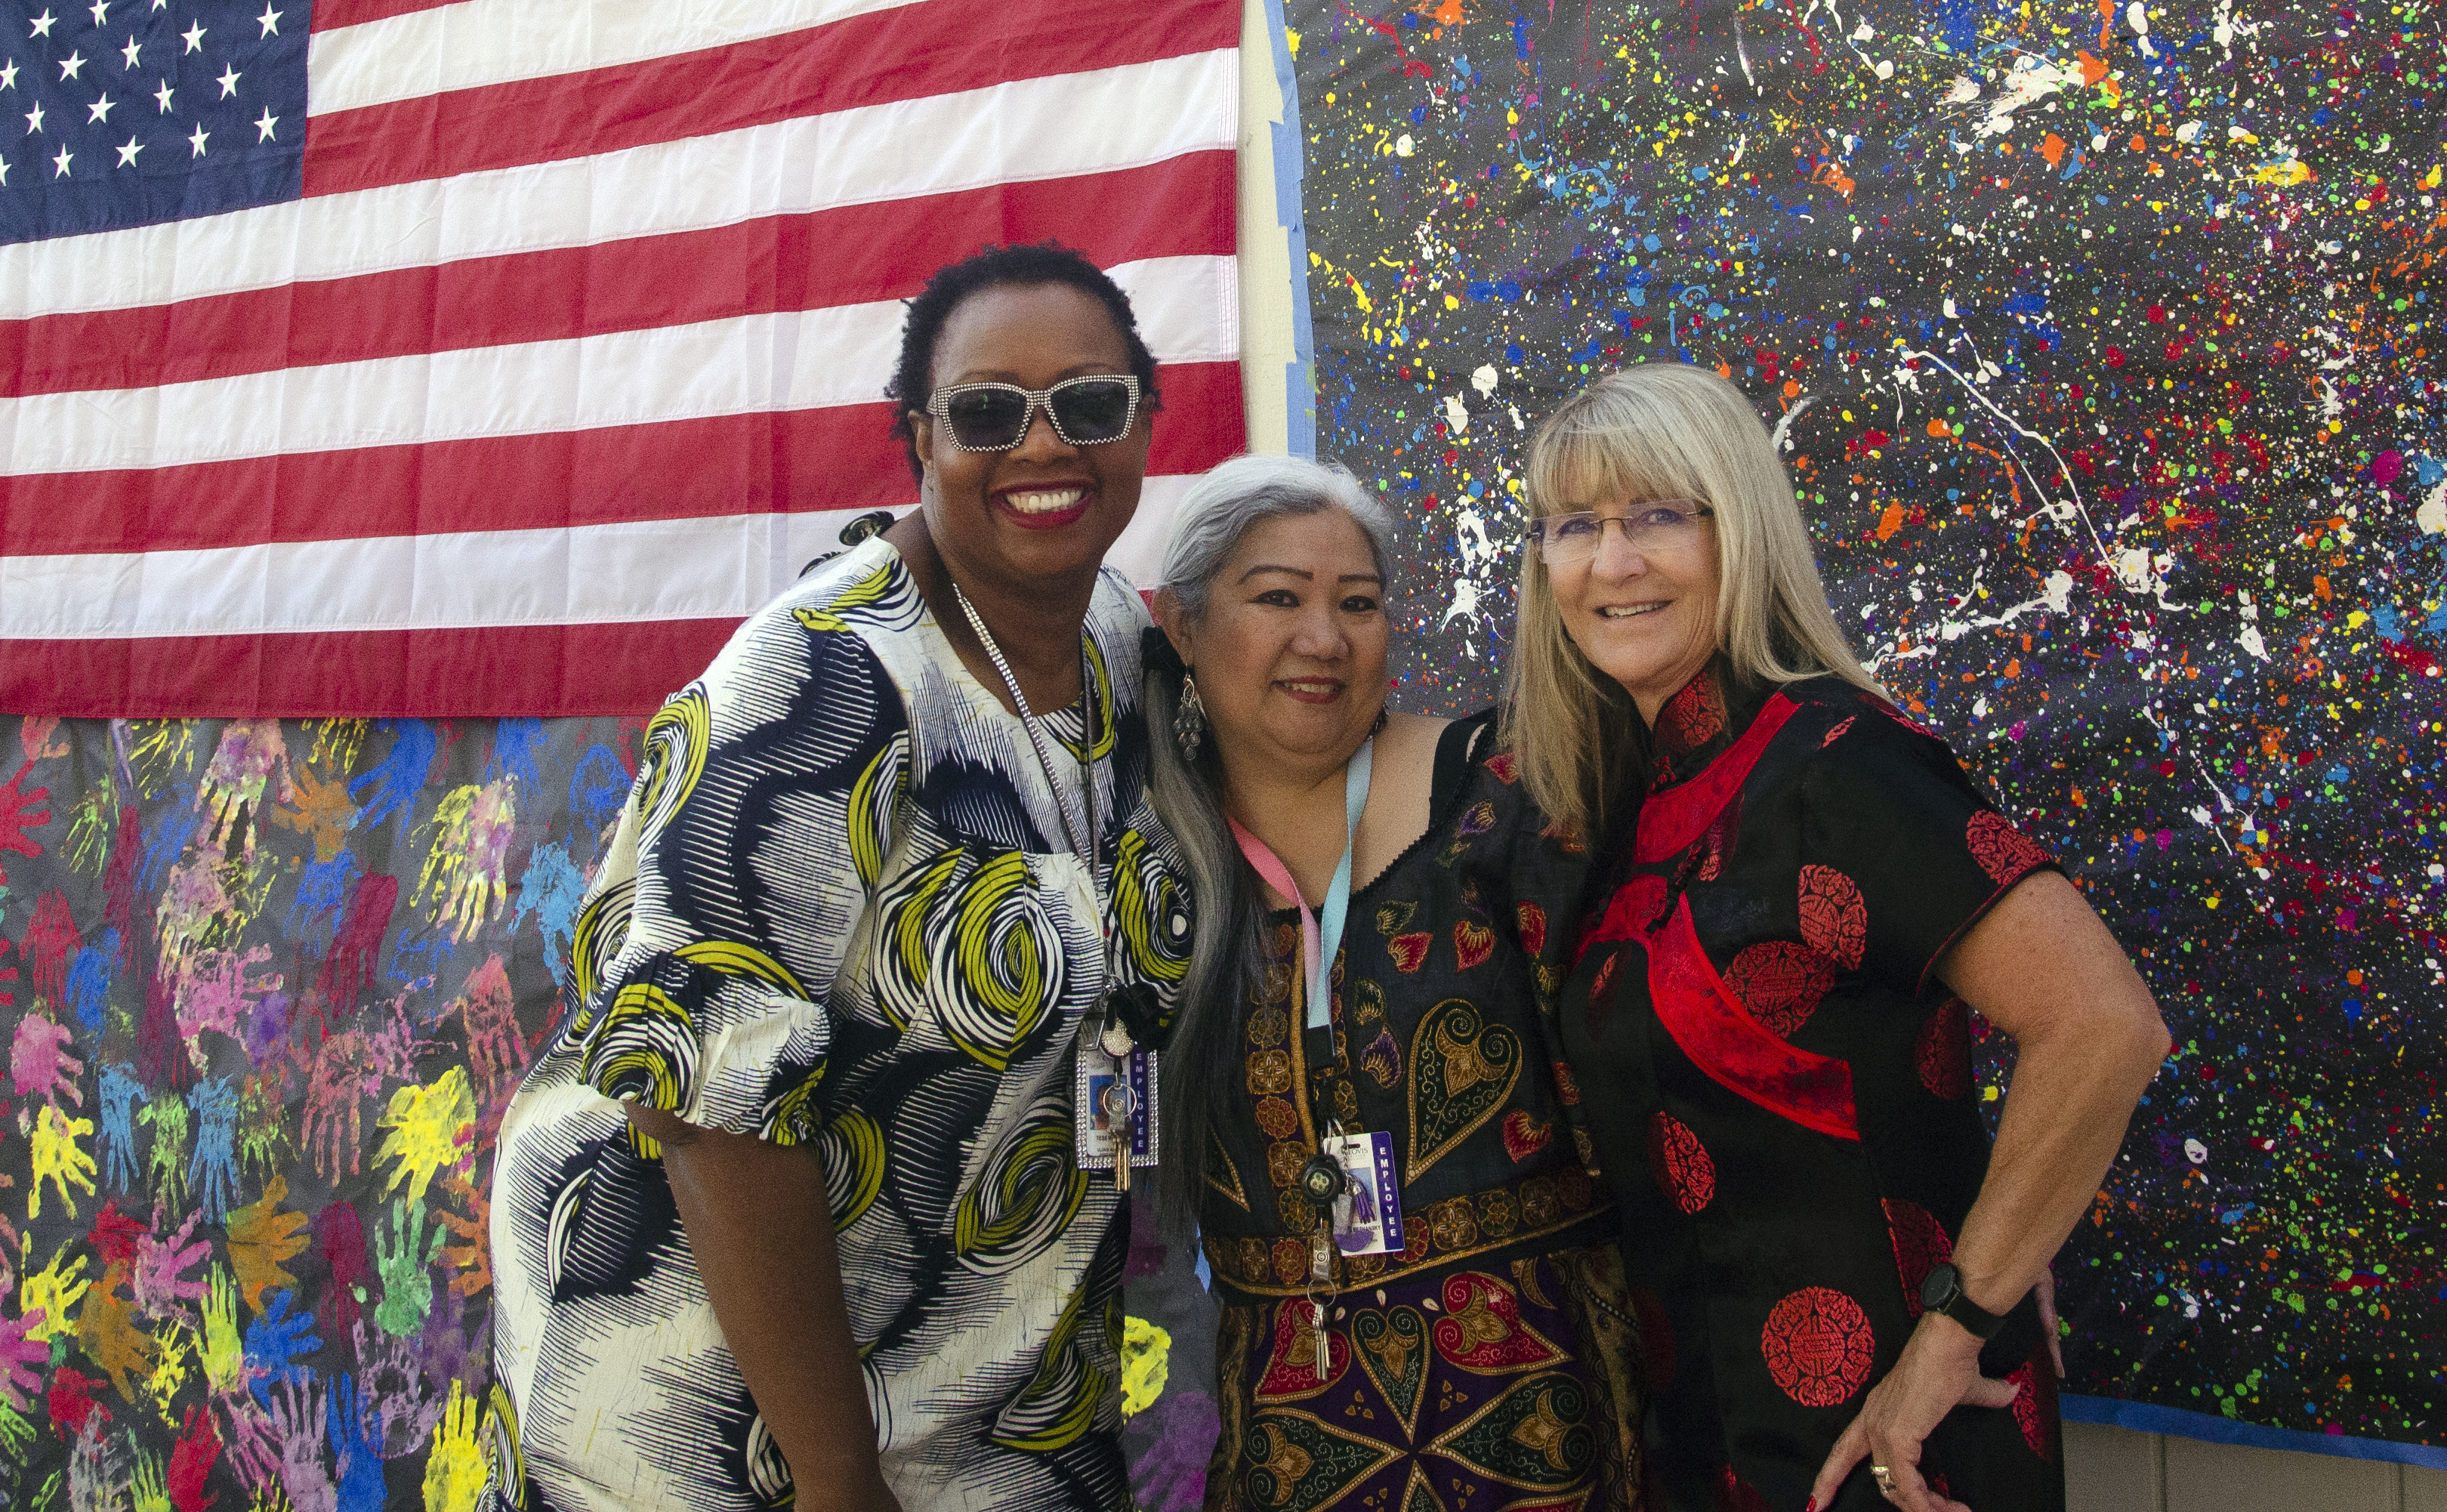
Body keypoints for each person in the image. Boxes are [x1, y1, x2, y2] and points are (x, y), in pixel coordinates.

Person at [485, 244, 1195, 1512]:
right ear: (916, 437)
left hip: (993, 1379)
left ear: (1146, 418)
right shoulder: (821, 679)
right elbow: (704, 1100)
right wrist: (833, 1475)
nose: (1045, 448)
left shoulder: (1120, 640)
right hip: (726, 1409)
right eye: (987, 412)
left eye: (1089, 403)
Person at [1505, 365, 2171, 1512]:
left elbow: (2104, 1026)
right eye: (1577, 526)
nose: (1612, 564)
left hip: (1894, 1448)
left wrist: (1960, 1323)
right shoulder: (1624, 802)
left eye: (1660, 515)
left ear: (1741, 529)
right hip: (1706, 1442)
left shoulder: (1838, 765)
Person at [1143, 455, 1642, 1511]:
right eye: (1278, 596)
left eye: (1357, 603)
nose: (1323, 638)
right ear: (1180, 625)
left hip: (1558, 1428)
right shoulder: (1148, 875)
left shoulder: (1514, 789)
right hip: (1282, 1456)